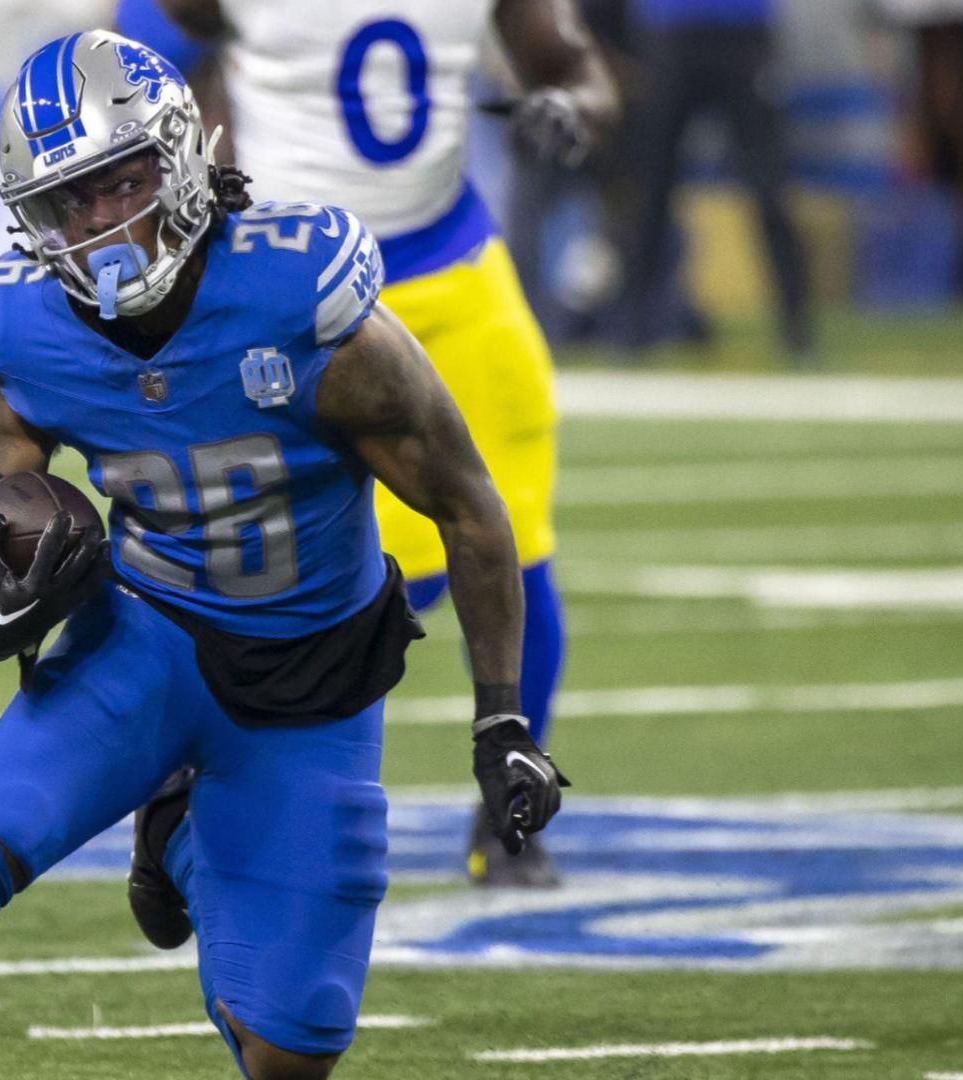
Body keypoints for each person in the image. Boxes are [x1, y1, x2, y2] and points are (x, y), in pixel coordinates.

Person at [0, 29, 567, 1080]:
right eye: (68, 203)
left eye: (119, 182)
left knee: (291, 1050)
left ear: (179, 155)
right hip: (144, 643)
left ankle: (177, 826)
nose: (100, 224)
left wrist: (500, 718)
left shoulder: (301, 299)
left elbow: (467, 506)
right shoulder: (28, 324)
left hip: (310, 676)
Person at [135, 0, 615, 887]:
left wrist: (572, 109)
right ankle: (193, 795)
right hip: (286, 288)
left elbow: (574, 68)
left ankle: (509, 810)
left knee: (515, 539)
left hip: (455, 272)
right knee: (271, 566)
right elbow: (139, 70)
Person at [617, 0, 815, 361]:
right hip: (671, 29)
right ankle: (633, 328)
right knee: (650, 188)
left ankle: (798, 327)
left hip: (741, 29)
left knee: (768, 187)